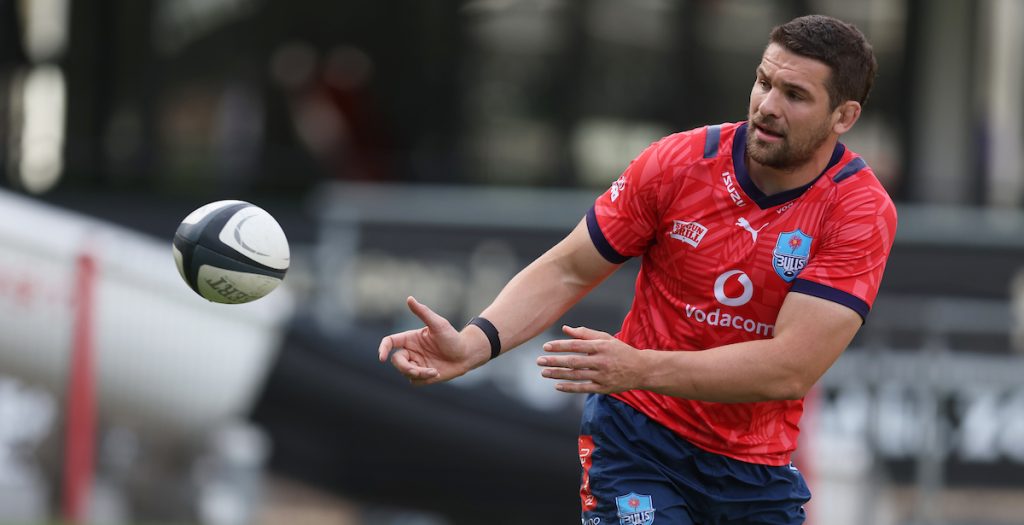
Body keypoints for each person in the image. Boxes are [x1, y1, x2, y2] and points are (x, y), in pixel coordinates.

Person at [378, 14, 896, 525]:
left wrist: (638, 367)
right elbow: (569, 270)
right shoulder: (678, 162)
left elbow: (789, 368)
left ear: (843, 116)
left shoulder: (859, 211)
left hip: (754, 470)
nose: (767, 106)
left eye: (795, 95)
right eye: (763, 81)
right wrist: (473, 344)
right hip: (639, 441)